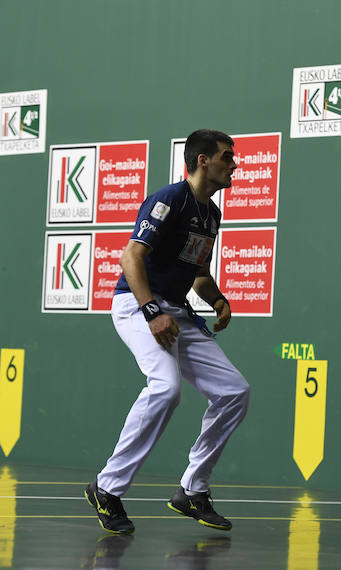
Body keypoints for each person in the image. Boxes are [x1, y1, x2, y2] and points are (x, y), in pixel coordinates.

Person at [85, 129, 250, 534]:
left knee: (234, 391)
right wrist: (152, 309)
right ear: (203, 161)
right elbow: (131, 256)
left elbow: (197, 274)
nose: (235, 164)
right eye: (228, 157)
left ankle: (193, 489)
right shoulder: (168, 200)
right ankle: (107, 488)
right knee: (165, 387)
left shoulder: (211, 214)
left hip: (175, 310)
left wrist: (218, 300)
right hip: (136, 305)